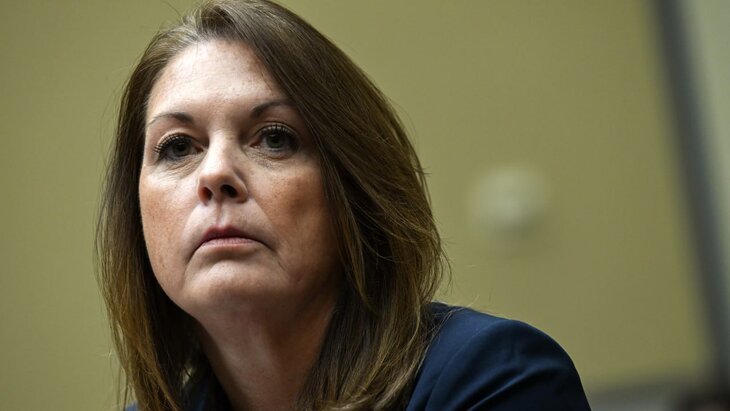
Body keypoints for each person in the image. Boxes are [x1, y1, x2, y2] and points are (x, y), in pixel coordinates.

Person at [96, 0, 592, 410]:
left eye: (274, 137)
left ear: (352, 190)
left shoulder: (496, 378)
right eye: (178, 147)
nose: (216, 174)